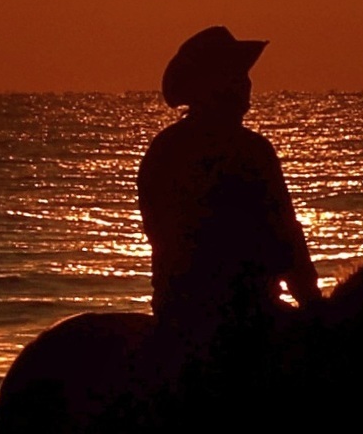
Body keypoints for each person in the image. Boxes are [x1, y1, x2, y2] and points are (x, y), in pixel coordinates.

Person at [137, 26, 321, 354]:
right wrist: (312, 304)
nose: (247, 85)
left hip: (176, 308)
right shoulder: (251, 150)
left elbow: (159, 232)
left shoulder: (163, 149)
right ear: (217, 84)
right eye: (238, 76)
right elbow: (286, 236)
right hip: (246, 314)